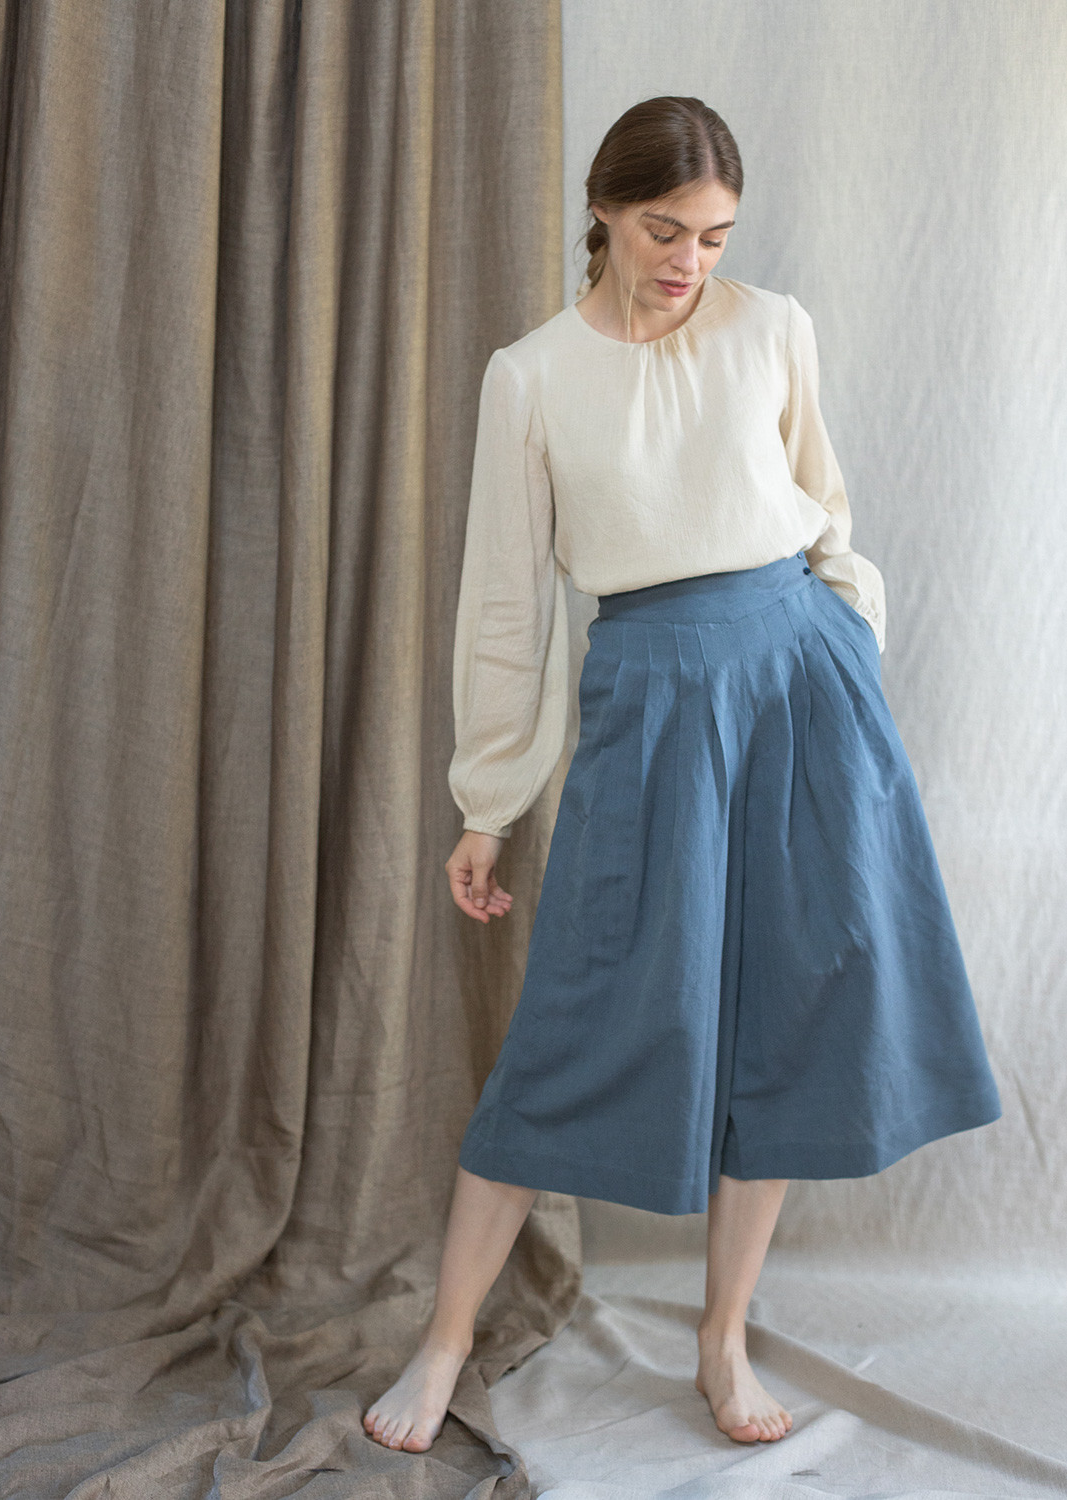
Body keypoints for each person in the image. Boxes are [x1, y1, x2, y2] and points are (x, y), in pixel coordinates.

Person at [363, 96, 1002, 1455]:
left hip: (801, 683)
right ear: (603, 209)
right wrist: (488, 804)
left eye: (714, 237)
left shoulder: (771, 328)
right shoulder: (530, 376)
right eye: (665, 230)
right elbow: (505, 608)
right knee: (577, 1018)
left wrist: (846, 640)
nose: (688, 262)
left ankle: (722, 1341)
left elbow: (824, 504)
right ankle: (444, 1343)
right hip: (651, 694)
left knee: (791, 1014)